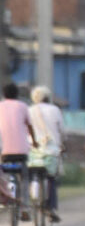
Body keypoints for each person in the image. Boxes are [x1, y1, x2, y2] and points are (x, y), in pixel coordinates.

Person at [28, 86, 64, 223]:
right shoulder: (54, 110)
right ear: (47, 98)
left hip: (33, 151)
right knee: (51, 178)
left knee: (31, 175)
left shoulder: (29, 110)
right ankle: (51, 208)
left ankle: (31, 201)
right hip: (51, 151)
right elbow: (62, 131)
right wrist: (62, 144)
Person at [0, 83, 37, 215]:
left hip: (5, 153)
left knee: (4, 175)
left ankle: (5, 195)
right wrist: (35, 142)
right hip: (21, 151)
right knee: (24, 179)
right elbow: (30, 126)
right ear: (17, 94)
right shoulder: (23, 106)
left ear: (4, 94)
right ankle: (25, 207)